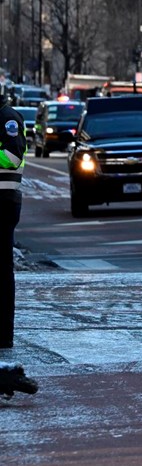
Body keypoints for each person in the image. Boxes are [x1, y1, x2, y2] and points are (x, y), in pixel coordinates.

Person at [0, 82, 26, 350]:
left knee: (2, 269)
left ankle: (3, 334)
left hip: (2, 202)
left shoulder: (8, 118)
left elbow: (12, 156)